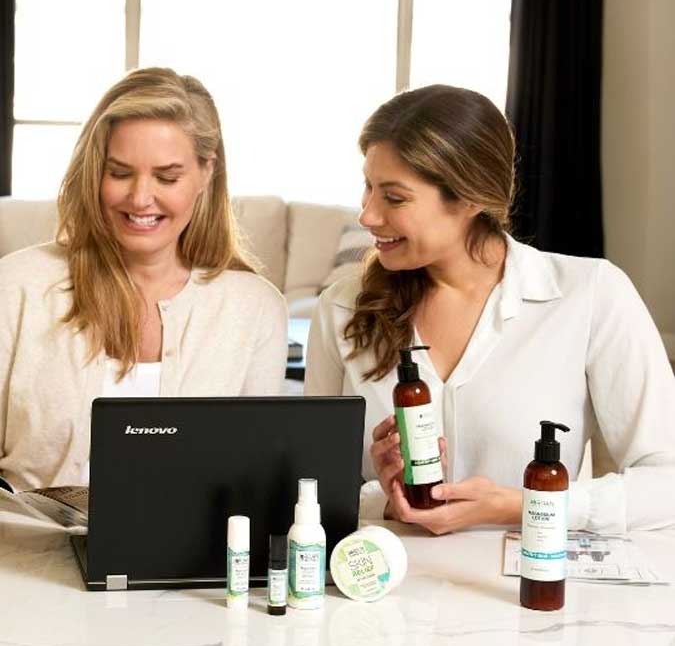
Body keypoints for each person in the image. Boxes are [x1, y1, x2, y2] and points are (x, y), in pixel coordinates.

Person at [305, 84, 675, 535]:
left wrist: (521, 505)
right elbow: (310, 482)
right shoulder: (341, 307)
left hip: (527, 577)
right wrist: (386, 499)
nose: (367, 215)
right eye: (367, 187)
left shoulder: (592, 296)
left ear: (470, 198)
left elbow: (666, 483)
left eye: (394, 197)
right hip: (381, 576)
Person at [0, 68, 288, 491]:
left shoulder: (255, 309)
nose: (139, 198)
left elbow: (253, 475)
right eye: (119, 173)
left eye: (167, 177)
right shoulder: (16, 286)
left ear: (207, 171)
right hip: (26, 535)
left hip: (192, 539)